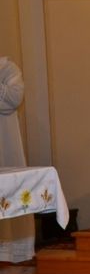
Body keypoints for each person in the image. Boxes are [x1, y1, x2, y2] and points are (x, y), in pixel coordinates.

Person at [0, 56, 35, 262]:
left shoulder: (8, 68)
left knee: (9, 191)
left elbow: (13, 99)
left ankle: (11, 249)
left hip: (4, 142)